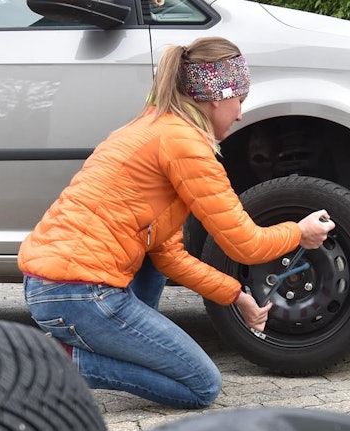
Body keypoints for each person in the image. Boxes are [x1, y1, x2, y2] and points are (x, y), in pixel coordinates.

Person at [19, 36, 334, 409]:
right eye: (240, 101)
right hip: (80, 293)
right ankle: (45, 363)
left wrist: (237, 295)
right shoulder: (185, 145)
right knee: (201, 385)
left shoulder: (152, 127)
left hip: (51, 285)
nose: (240, 115)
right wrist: (299, 232)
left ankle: (116, 349)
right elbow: (245, 244)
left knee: (153, 264)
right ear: (217, 96)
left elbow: (167, 256)